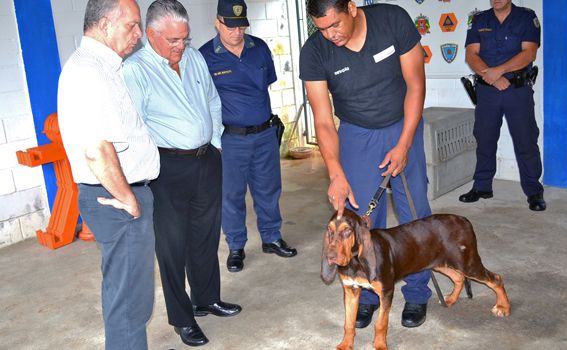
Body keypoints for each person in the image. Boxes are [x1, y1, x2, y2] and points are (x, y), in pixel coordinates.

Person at [300, 0, 432, 329]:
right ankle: (369, 293)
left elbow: (416, 85)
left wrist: (403, 144)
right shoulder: (315, 51)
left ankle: (417, 292)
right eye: (322, 28)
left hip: (402, 125)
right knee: (362, 222)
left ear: (352, 7)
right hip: (357, 135)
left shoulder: (392, 20)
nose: (330, 35)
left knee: (415, 216)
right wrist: (335, 174)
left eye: (335, 25)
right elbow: (324, 121)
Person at [122, 0, 240, 347]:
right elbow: (134, 126)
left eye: (184, 39)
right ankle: (182, 317)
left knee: (205, 235)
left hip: (206, 159)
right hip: (166, 168)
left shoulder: (194, 57)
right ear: (151, 34)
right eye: (173, 40)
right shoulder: (136, 69)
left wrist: (215, 141)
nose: (180, 47)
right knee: (172, 246)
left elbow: (212, 100)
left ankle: (206, 298)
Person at [57, 0, 159, 349]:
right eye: (131, 25)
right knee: (129, 305)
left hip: (121, 196)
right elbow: (96, 149)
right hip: (118, 200)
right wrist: (128, 199)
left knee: (128, 294)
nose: (139, 34)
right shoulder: (89, 71)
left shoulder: (102, 66)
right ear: (103, 25)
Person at [199, 0, 297, 274]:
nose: (237, 32)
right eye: (231, 26)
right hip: (230, 139)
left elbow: (265, 85)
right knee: (231, 195)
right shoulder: (205, 56)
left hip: (264, 134)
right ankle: (236, 247)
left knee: (269, 189)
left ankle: (271, 237)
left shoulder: (260, 48)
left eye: (242, 26)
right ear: (218, 22)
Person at [460, 0, 546, 211]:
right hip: (487, 90)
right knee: (484, 138)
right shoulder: (480, 19)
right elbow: (471, 54)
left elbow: (529, 53)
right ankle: (482, 186)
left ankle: (534, 191)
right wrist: (491, 77)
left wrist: (498, 71)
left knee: (526, 140)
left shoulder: (526, 17)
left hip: (517, 90)